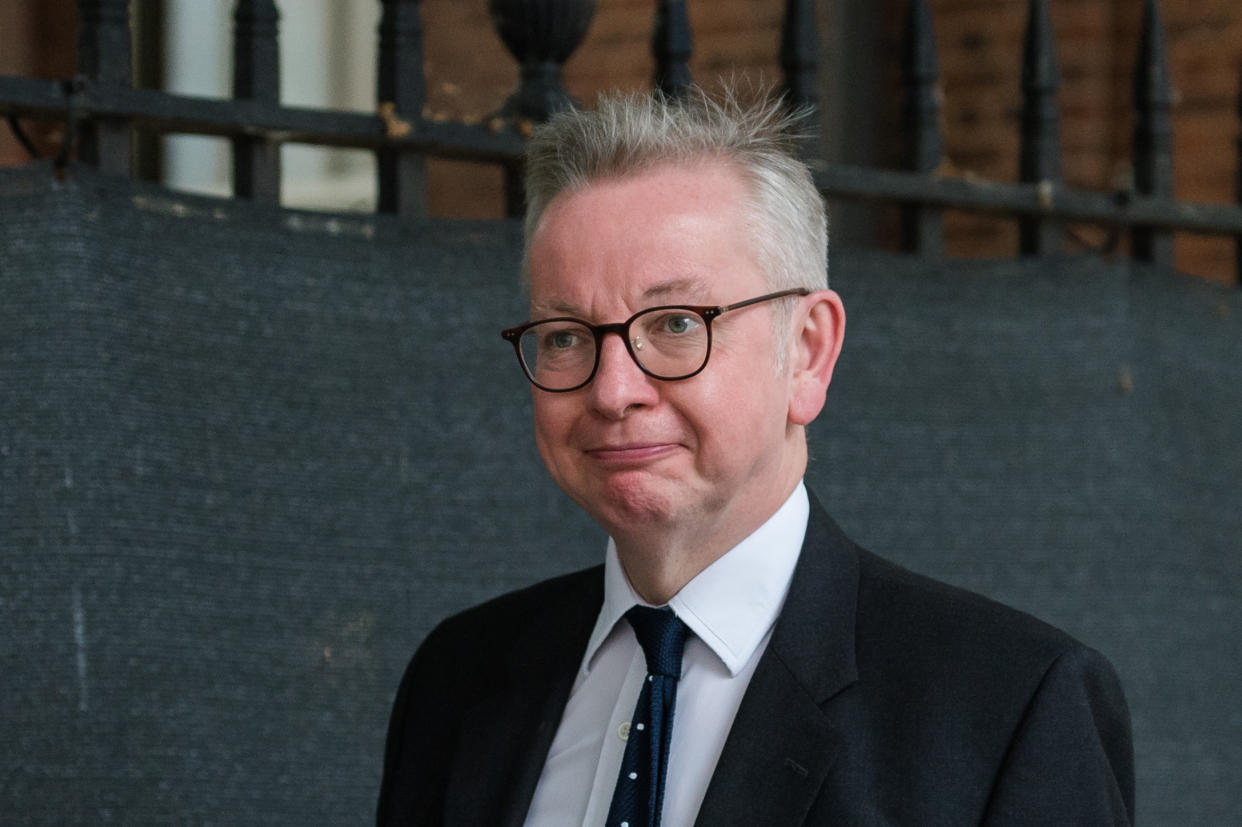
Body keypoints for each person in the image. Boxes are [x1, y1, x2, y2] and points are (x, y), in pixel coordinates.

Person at [376, 87, 1134, 826]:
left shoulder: (1007, 708)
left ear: (807, 352)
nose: (612, 392)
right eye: (568, 334)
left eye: (674, 322)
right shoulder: (458, 678)